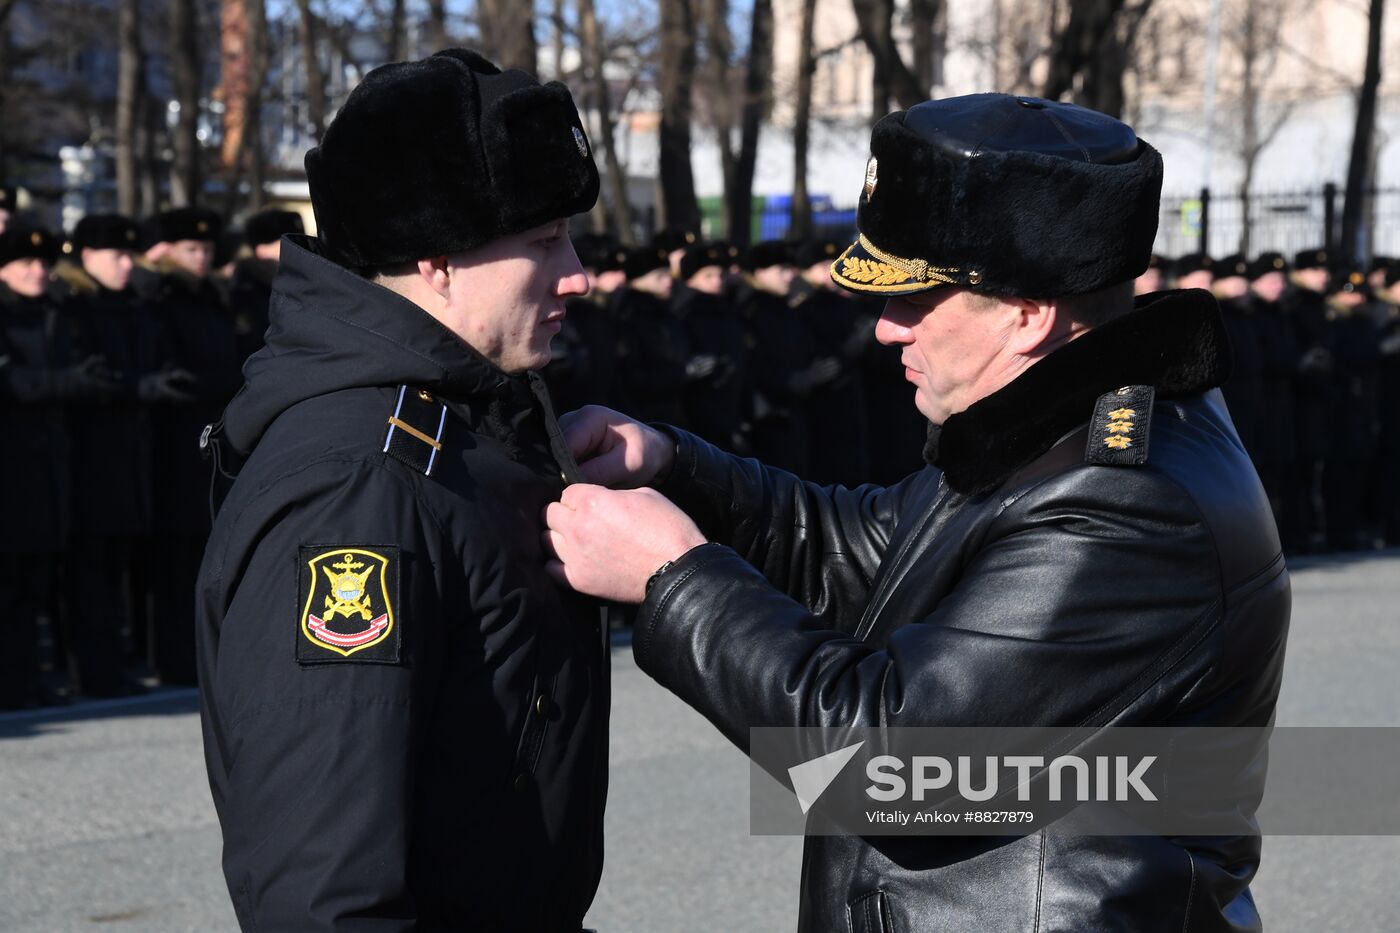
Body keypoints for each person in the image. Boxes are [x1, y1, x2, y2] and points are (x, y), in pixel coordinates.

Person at [544, 94, 1289, 930]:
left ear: (1026, 312)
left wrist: (673, 578)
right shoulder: (1047, 425)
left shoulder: (1121, 499)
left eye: (917, 299)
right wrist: (678, 469)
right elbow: (864, 553)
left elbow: (898, 770)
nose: (885, 329)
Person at [195, 49, 609, 931]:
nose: (579, 274)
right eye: (543, 242)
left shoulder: (460, 422)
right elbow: (324, 890)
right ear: (437, 258)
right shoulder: (356, 488)